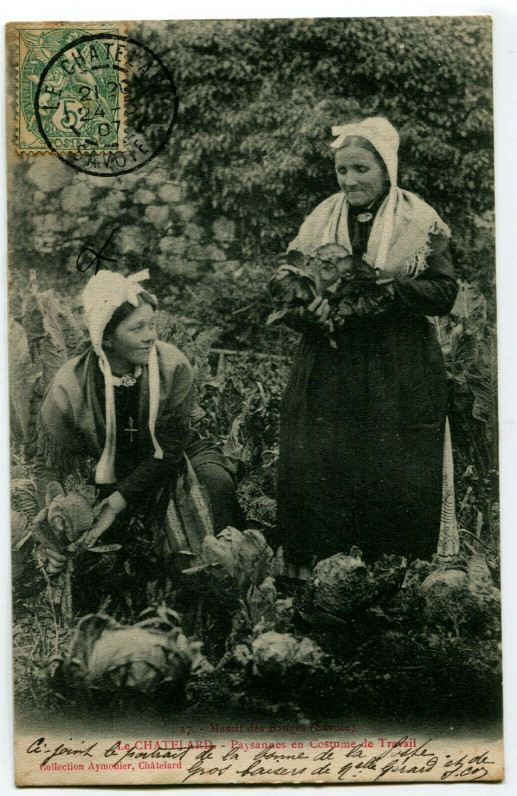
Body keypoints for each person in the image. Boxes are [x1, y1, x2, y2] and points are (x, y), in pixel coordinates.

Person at [276, 117, 459, 575]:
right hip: (329, 368)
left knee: (391, 471)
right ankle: (322, 580)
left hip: (396, 370)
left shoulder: (418, 221)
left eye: (361, 169)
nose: (350, 181)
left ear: (386, 168)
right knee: (324, 468)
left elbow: (444, 292)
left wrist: (387, 289)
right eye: (342, 171)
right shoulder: (322, 218)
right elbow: (287, 283)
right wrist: (307, 314)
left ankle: (389, 583)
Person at [33, 269, 245, 596]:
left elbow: (170, 449)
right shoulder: (70, 385)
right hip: (107, 472)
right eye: (137, 328)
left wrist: (119, 500)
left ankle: (224, 584)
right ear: (106, 337)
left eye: (152, 325)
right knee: (99, 567)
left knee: (216, 484)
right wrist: (56, 519)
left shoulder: (172, 366)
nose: (150, 336)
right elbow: (49, 462)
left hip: (175, 458)